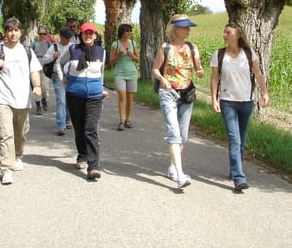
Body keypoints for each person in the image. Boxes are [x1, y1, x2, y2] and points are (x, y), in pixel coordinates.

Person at [210, 22, 270, 191]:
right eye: (224, 32)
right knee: (234, 139)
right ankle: (239, 178)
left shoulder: (249, 54)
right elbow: (215, 78)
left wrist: (265, 93)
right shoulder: (219, 54)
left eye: (228, 32)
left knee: (241, 140)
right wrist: (214, 98)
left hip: (247, 102)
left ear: (238, 34)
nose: (224, 35)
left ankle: (234, 169)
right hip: (227, 101)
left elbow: (258, 74)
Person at [0, 17, 43, 185]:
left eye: (16, 30)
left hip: (23, 99)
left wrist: (37, 86)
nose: (13, 33)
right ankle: (7, 169)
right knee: (5, 133)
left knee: (21, 132)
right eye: (10, 30)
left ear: (20, 32)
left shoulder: (27, 51)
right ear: (6, 32)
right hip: (3, 98)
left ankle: (18, 155)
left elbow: (34, 71)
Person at [152, 14, 204, 189]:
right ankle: (180, 175)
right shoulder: (165, 48)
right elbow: (155, 70)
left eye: (188, 27)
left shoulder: (192, 47)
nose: (188, 30)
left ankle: (173, 167)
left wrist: (199, 71)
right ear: (175, 29)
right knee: (174, 132)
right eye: (184, 27)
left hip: (187, 93)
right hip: (168, 93)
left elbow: (198, 67)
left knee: (183, 135)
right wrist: (162, 80)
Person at [56, 22, 109, 180]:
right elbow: (59, 63)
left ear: (95, 36)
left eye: (91, 33)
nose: (88, 36)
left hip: (94, 96)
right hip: (74, 94)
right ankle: (82, 155)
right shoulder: (73, 49)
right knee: (79, 128)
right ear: (81, 34)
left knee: (90, 128)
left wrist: (102, 89)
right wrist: (62, 79)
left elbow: (101, 73)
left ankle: (94, 166)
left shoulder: (101, 52)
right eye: (85, 33)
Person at [42, 26, 73, 136]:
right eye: (66, 37)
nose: (68, 39)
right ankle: (61, 126)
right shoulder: (54, 47)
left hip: (71, 77)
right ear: (61, 37)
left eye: (69, 37)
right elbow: (44, 60)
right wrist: (53, 57)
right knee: (61, 100)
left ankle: (67, 120)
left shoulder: (73, 47)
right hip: (58, 77)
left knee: (69, 100)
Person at [109, 23, 140, 131]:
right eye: (127, 31)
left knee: (130, 98)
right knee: (122, 96)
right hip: (120, 73)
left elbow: (138, 59)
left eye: (130, 31)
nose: (129, 33)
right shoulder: (115, 44)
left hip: (132, 73)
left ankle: (128, 119)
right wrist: (118, 54)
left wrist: (133, 56)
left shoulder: (133, 43)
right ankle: (121, 121)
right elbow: (111, 62)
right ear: (122, 32)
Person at [31, 25, 52, 114]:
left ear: (46, 34)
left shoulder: (48, 44)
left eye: (44, 34)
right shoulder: (34, 43)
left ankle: (44, 99)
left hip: (45, 67)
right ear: (38, 34)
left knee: (45, 87)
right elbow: (30, 54)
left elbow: (52, 54)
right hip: (36, 67)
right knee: (37, 86)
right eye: (40, 34)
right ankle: (38, 105)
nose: (42, 35)